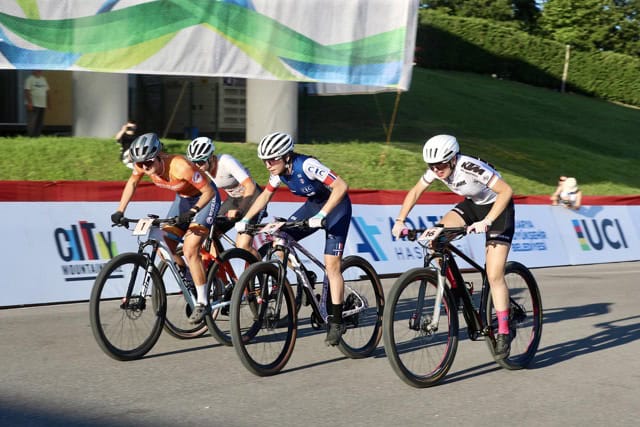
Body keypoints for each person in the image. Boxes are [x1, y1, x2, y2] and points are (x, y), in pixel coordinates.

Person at [391, 134, 515, 359]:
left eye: (440, 165)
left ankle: (505, 331)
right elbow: (416, 191)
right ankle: (458, 289)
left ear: (453, 159)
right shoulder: (436, 169)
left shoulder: (469, 166)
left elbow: (506, 191)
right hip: (473, 205)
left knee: (494, 274)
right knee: (435, 240)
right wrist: (400, 220)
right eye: (432, 166)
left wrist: (487, 221)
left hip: (498, 209)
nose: (436, 170)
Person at [235, 132, 352, 346]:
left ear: (286, 156)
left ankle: (337, 322)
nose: (268, 165)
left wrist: (322, 215)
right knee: (280, 240)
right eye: (264, 161)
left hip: (337, 208)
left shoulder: (307, 165)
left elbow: (341, 186)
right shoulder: (278, 172)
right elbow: (265, 195)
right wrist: (246, 219)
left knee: (332, 266)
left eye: (272, 160)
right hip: (313, 206)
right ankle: (305, 276)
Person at [110, 133, 220, 324]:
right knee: (164, 248)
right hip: (183, 199)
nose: (145, 167)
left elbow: (209, 191)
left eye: (148, 162)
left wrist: (194, 211)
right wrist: (120, 210)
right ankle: (193, 283)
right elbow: (133, 183)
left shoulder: (180, 166)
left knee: (190, 249)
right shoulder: (142, 165)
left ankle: (203, 302)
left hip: (205, 199)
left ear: (159, 155)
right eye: (140, 163)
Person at [186, 136, 265, 257]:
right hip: (233, 200)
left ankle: (262, 268)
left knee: (243, 246)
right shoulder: (201, 171)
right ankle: (221, 264)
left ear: (211, 158)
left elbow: (250, 186)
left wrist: (240, 210)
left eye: (200, 162)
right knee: (208, 231)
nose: (197, 166)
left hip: (253, 198)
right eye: (193, 162)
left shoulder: (226, 162)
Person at [24, 70, 50, 137]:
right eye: (38, 70)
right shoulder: (29, 79)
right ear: (33, 71)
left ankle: (37, 135)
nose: (40, 71)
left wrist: (48, 103)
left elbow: (47, 91)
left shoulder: (43, 79)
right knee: (32, 122)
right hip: (33, 104)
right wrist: (29, 103)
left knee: (40, 121)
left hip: (42, 104)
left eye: (40, 70)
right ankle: (31, 136)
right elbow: (27, 91)